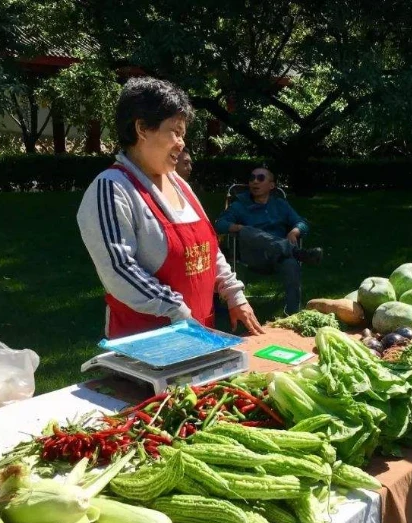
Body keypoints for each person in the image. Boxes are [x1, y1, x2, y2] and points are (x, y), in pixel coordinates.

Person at [77, 77, 263, 338]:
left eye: (183, 134)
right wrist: (179, 313)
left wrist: (234, 294)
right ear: (142, 128)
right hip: (147, 343)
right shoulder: (111, 189)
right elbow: (119, 269)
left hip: (197, 334)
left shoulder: (179, 185)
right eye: (175, 132)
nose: (182, 143)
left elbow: (208, 252)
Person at [214, 167, 323, 314]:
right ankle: (295, 252)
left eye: (260, 178)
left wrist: (294, 231)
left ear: (271, 185)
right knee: (248, 231)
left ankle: (293, 313)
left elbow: (302, 223)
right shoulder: (240, 205)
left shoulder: (280, 205)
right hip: (252, 256)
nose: (254, 181)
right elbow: (219, 224)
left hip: (278, 258)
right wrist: (239, 227)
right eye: (252, 178)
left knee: (291, 264)